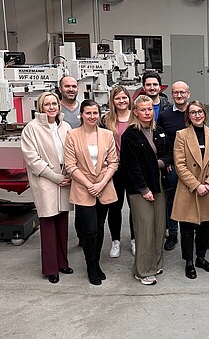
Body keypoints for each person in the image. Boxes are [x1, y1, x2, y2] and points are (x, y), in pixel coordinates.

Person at [64, 99, 118, 285]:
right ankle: (90, 265)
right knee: (90, 229)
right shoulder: (72, 135)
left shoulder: (107, 135)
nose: (92, 116)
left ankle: (97, 263)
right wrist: (89, 185)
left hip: (103, 185)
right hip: (82, 186)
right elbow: (71, 165)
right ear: (81, 114)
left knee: (100, 226)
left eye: (95, 113)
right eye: (88, 113)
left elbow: (113, 162)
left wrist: (101, 184)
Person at [21, 91, 73, 283]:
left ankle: (62, 262)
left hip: (65, 178)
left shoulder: (65, 126)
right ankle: (51, 268)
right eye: (47, 104)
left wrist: (68, 173)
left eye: (54, 104)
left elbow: (72, 151)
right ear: (40, 107)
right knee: (48, 223)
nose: (51, 107)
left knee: (62, 222)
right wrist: (55, 177)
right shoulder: (31, 128)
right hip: (45, 179)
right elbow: (32, 159)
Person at [120, 95, 169, 286]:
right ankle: (143, 270)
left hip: (159, 184)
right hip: (140, 188)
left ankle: (156, 264)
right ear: (135, 112)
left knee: (159, 226)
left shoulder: (159, 131)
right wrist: (143, 189)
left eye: (149, 109)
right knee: (145, 229)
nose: (147, 113)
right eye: (143, 109)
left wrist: (159, 163)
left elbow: (168, 154)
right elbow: (131, 166)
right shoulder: (130, 135)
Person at [172, 100, 209, 279]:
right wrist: (196, 185)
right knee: (186, 229)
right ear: (188, 116)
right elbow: (180, 165)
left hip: (208, 189)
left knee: (204, 228)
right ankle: (189, 261)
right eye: (193, 112)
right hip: (189, 189)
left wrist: (208, 184)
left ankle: (201, 258)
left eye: (200, 111)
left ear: (205, 114)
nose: (197, 115)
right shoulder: (181, 135)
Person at [157, 80, 191, 251]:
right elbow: (161, 141)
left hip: (193, 166)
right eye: (176, 92)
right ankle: (172, 233)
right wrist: (167, 161)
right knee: (172, 199)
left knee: (190, 198)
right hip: (172, 166)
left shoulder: (194, 112)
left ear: (188, 94)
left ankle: (190, 230)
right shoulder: (165, 115)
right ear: (171, 95)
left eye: (182, 92)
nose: (179, 95)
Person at [102, 85, 135, 258]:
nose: (121, 101)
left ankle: (134, 239)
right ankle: (115, 240)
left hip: (133, 168)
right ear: (112, 101)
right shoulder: (106, 120)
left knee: (134, 205)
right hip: (114, 169)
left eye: (124, 97)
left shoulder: (136, 117)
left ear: (129, 99)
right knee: (115, 206)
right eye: (117, 98)